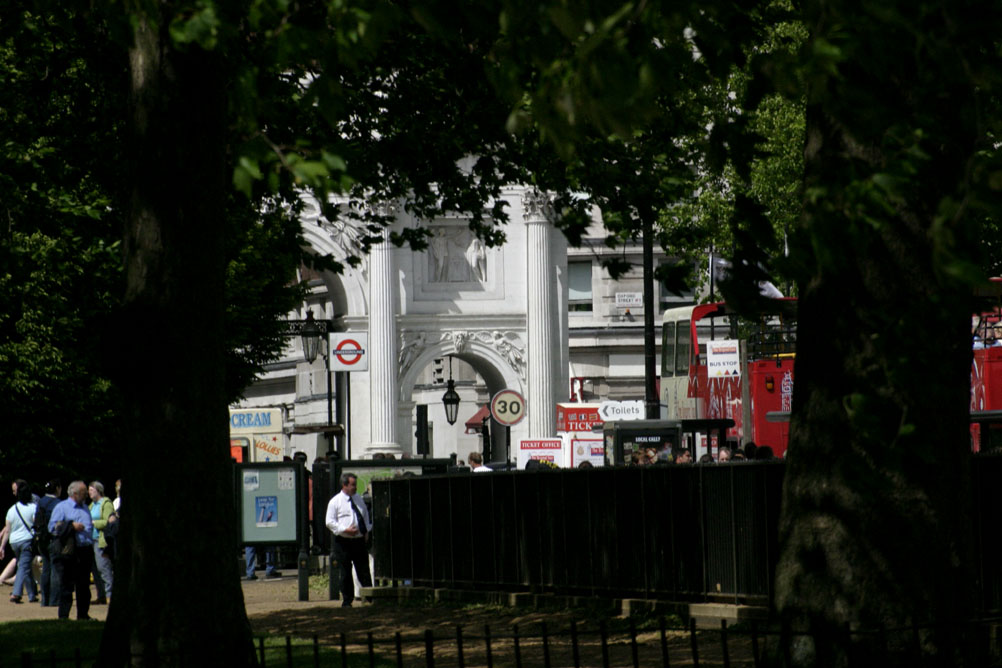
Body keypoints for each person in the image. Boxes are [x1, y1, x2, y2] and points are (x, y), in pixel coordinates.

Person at [49, 480, 95, 620]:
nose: (86, 494)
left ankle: (83, 615)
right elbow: (52, 528)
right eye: (84, 492)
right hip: (70, 551)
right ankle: (63, 616)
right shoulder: (62, 507)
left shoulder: (86, 507)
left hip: (85, 550)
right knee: (67, 585)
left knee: (84, 586)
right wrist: (71, 525)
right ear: (75, 493)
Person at [325, 473, 372, 607]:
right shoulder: (335, 502)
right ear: (344, 485)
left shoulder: (358, 499)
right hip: (343, 541)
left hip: (358, 541)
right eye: (352, 485)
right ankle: (347, 600)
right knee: (345, 571)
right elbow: (329, 522)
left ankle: (369, 597)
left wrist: (366, 531)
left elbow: (364, 516)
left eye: (355, 484)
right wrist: (344, 530)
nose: (355, 487)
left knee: (363, 570)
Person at [1, 480, 38, 603]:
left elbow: (7, 530)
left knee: (25, 566)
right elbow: (36, 524)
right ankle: (16, 593)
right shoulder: (33, 508)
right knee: (23, 566)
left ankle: (32, 594)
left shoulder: (11, 510)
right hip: (27, 540)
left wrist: (2, 546)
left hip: (14, 542)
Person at [88, 481, 115, 604]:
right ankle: (101, 595)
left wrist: (94, 523)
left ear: (98, 490)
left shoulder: (106, 503)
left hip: (101, 540)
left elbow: (109, 522)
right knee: (95, 571)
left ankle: (110, 595)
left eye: (91, 490)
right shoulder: (92, 505)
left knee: (103, 568)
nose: (89, 492)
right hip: (91, 540)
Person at [35, 480, 62, 606]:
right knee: (55, 570)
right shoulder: (58, 503)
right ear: (57, 488)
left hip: (41, 539)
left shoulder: (40, 502)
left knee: (45, 569)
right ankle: (54, 600)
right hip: (53, 539)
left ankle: (44, 600)